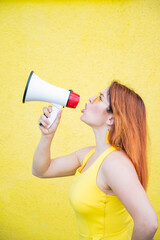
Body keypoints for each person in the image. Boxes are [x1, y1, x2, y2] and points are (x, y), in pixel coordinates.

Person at [32, 81, 158, 240]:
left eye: (100, 97)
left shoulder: (115, 163)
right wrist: (47, 135)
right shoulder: (88, 154)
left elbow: (148, 222)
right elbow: (41, 170)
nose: (91, 98)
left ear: (112, 119)